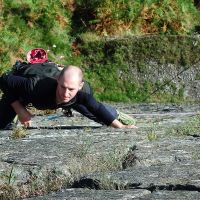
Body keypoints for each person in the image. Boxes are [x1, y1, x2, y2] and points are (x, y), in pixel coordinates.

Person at [0, 53, 137, 130]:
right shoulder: (36, 86)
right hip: (22, 92)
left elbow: (96, 107)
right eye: (62, 87)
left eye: (71, 89)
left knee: (95, 112)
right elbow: (4, 80)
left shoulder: (84, 92)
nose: (65, 94)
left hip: (71, 98)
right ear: (57, 80)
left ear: (80, 86)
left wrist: (120, 126)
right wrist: (20, 109)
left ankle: (116, 114)